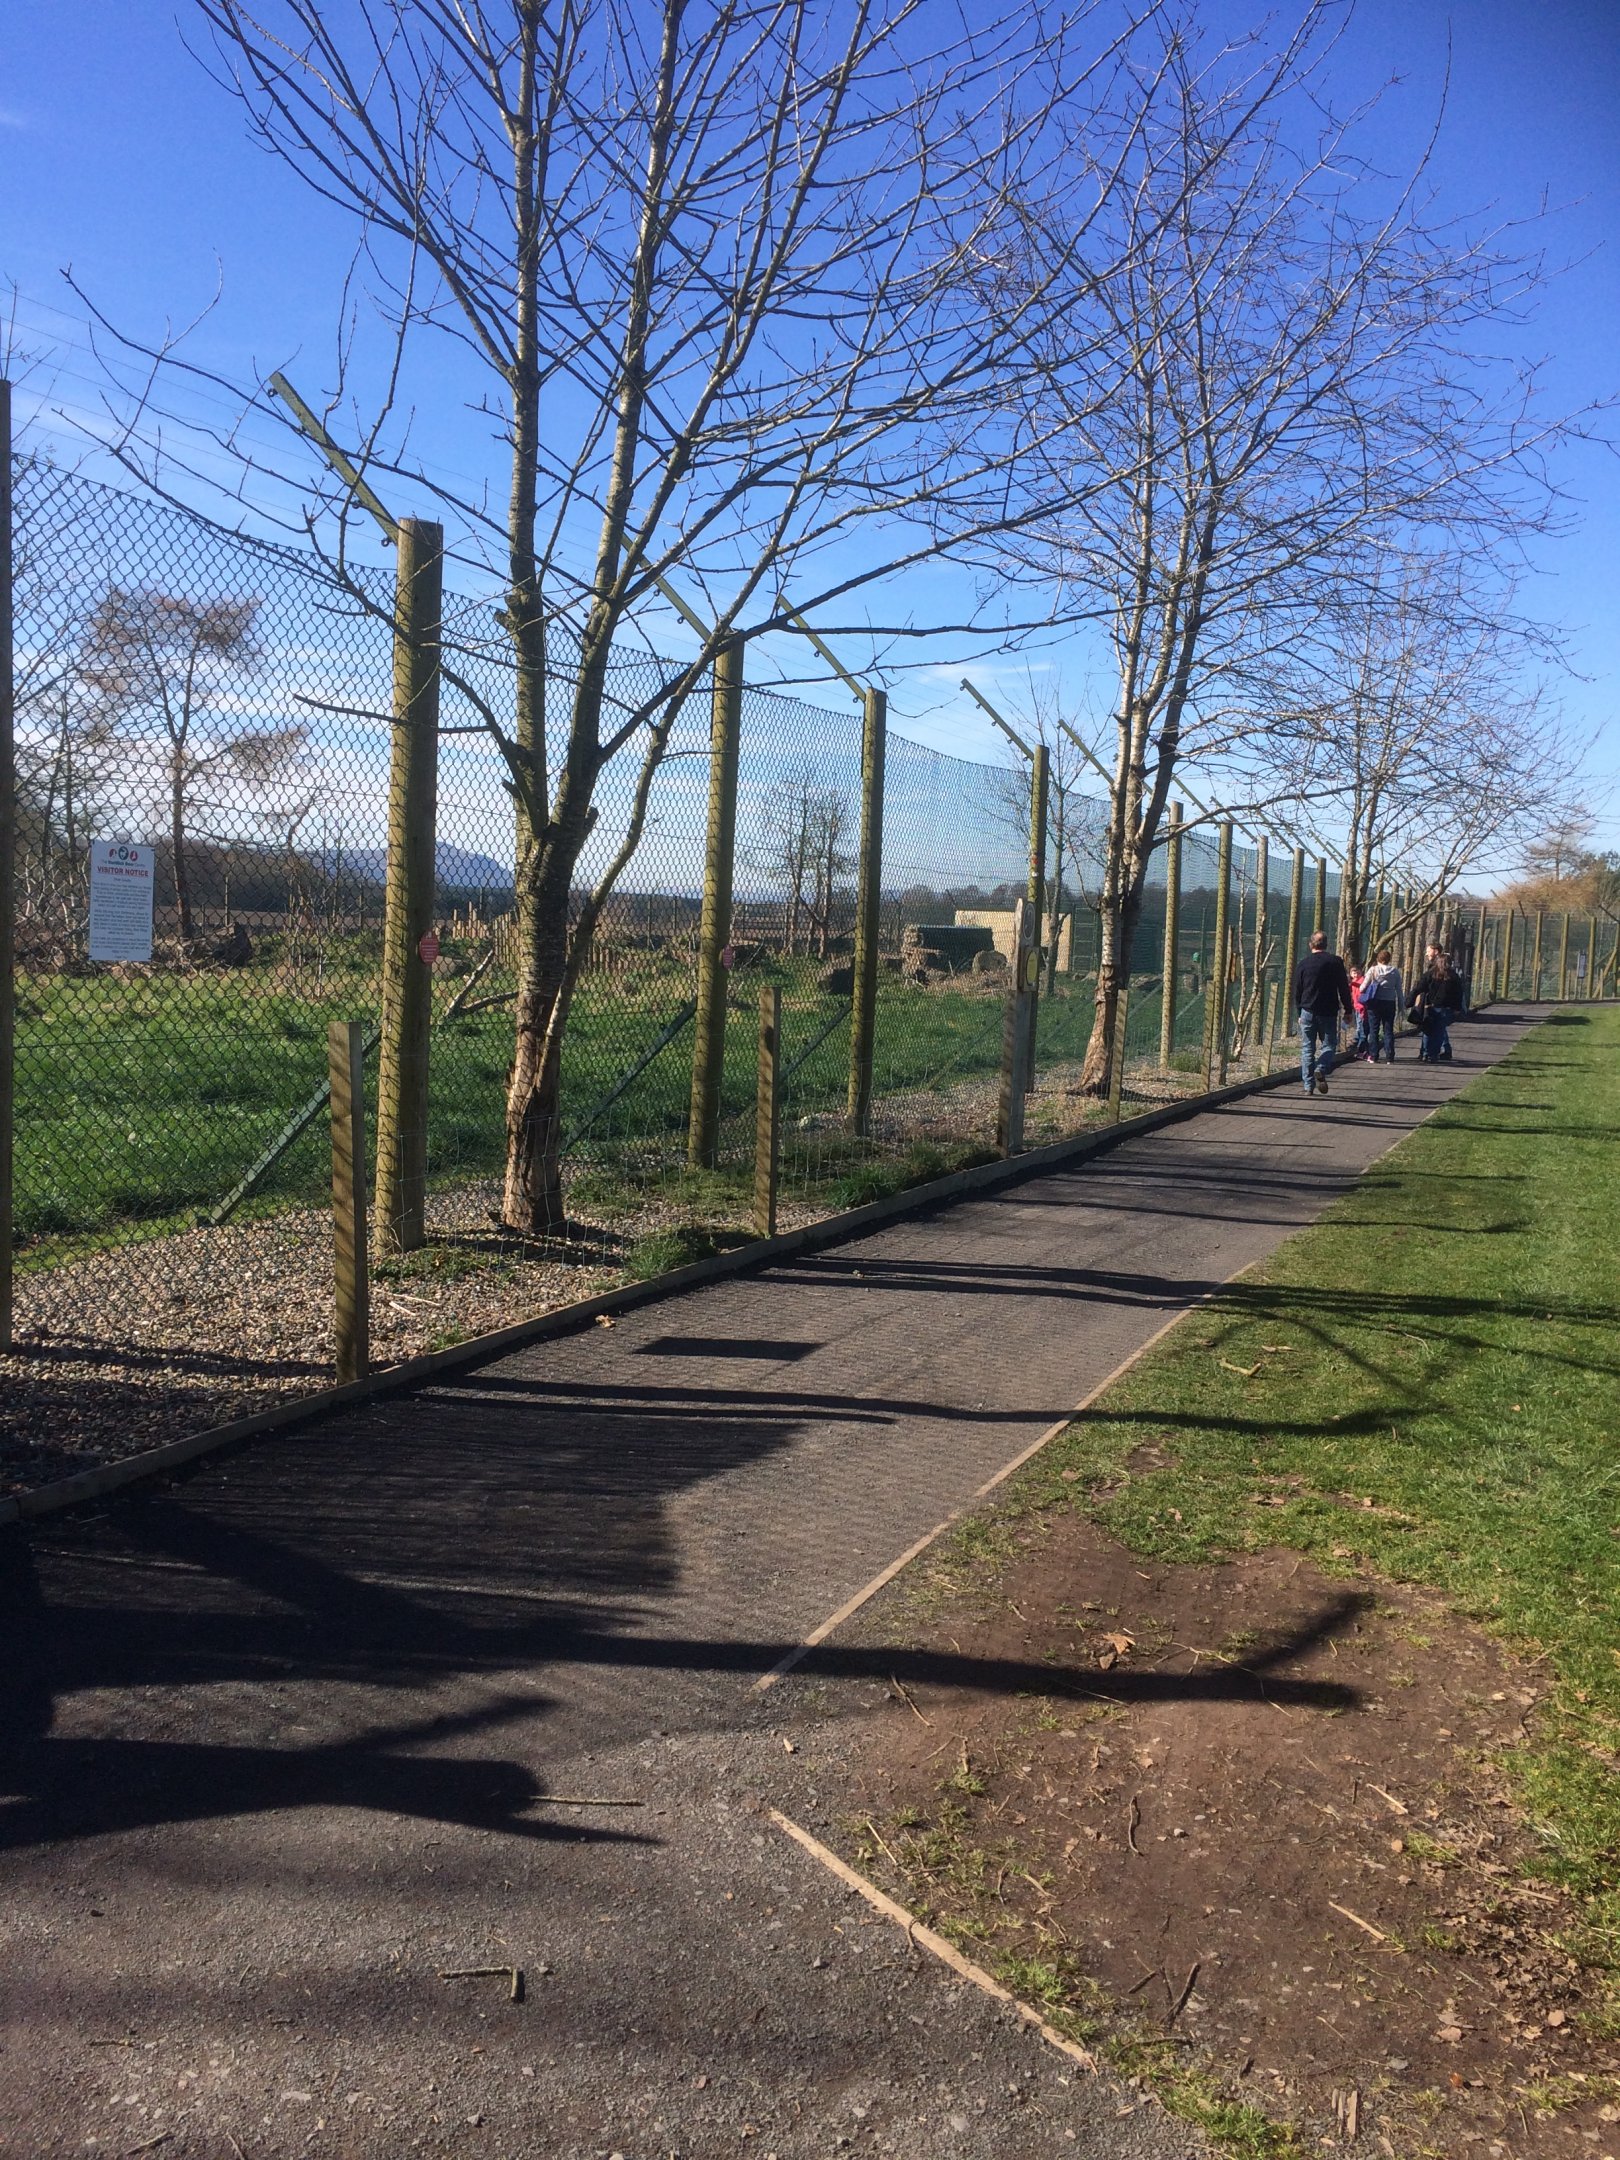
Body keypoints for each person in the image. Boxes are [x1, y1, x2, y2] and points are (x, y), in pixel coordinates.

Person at [1293, 930, 1355, 1095]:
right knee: (1329, 1045)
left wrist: (1299, 1012)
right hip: (1328, 1011)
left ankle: (1308, 1086)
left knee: (1307, 1048)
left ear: (1310, 944)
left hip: (1307, 1010)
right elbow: (1343, 987)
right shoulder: (1335, 962)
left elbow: (1297, 991)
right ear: (1326, 945)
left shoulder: (1303, 964)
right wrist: (1348, 1009)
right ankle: (1321, 1067)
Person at [1411, 947, 1463, 1062]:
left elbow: (1419, 988)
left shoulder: (1431, 974)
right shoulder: (1453, 977)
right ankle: (1434, 1054)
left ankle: (1425, 1053)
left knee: (1427, 1030)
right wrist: (1457, 1008)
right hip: (1445, 1007)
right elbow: (1458, 993)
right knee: (1439, 1032)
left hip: (1429, 1006)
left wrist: (1410, 1001)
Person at [1360, 947, 1403, 1062]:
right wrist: (1401, 1006)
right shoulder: (1395, 972)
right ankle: (1390, 1056)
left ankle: (1373, 1056)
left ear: (1378, 959)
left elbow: (1362, 987)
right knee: (1388, 1030)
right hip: (1389, 1003)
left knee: (1374, 1030)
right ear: (1389, 959)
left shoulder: (1373, 970)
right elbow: (1399, 990)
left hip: (1375, 1003)